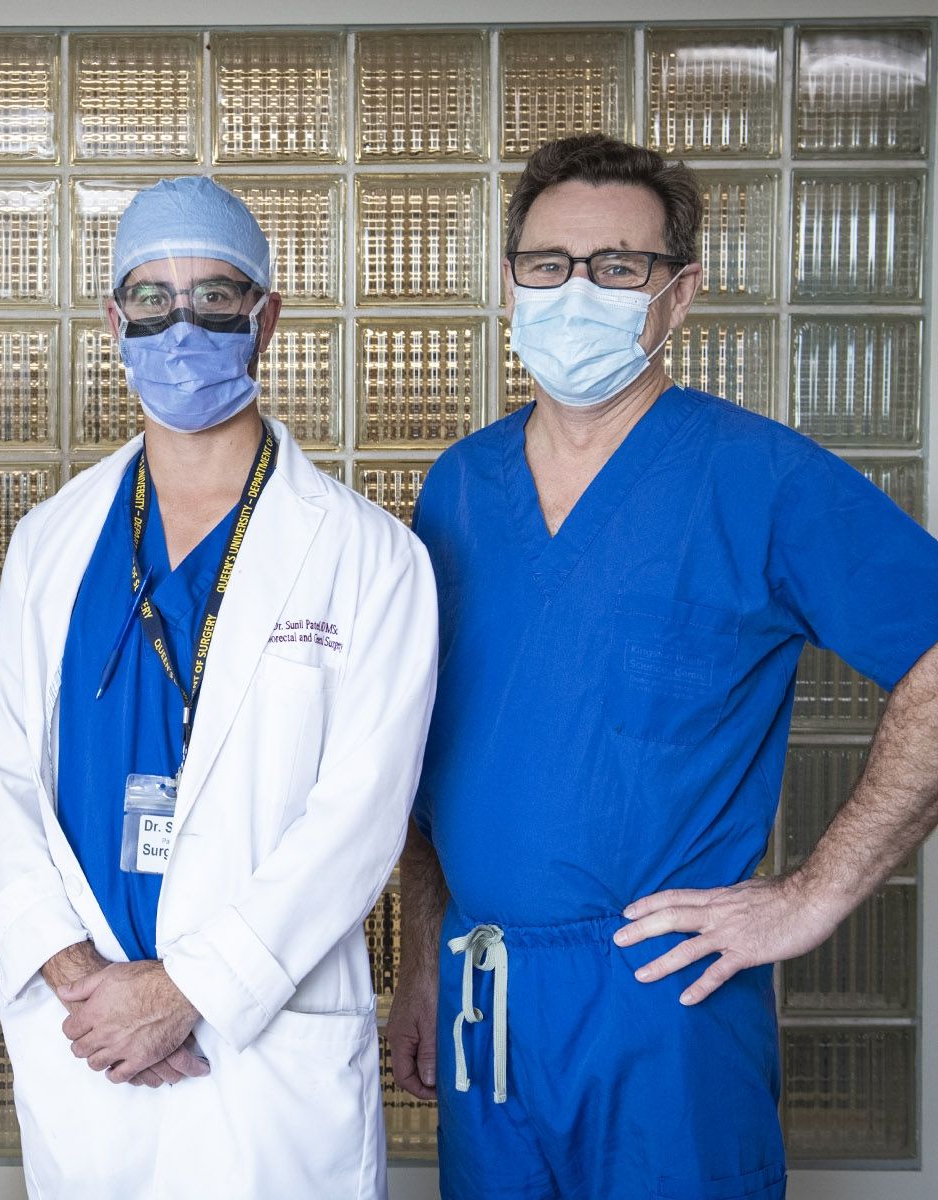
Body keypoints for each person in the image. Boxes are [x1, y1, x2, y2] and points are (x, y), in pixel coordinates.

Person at [390, 133, 938, 1200]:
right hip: (484, 998)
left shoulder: (761, 480)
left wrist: (813, 896)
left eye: (617, 267)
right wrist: (421, 959)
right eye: (548, 264)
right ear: (511, 282)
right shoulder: (459, 488)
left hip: (662, 1005)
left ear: (677, 295)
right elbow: (428, 750)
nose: (575, 290)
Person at [0, 176, 438, 1198]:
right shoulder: (54, 541)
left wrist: (191, 990)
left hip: (263, 1052)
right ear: (113, 321)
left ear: (266, 317)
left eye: (217, 296)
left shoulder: (370, 558)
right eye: (151, 297)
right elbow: (1, 773)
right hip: (88, 1035)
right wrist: (72, 974)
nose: (181, 322)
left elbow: (361, 818)